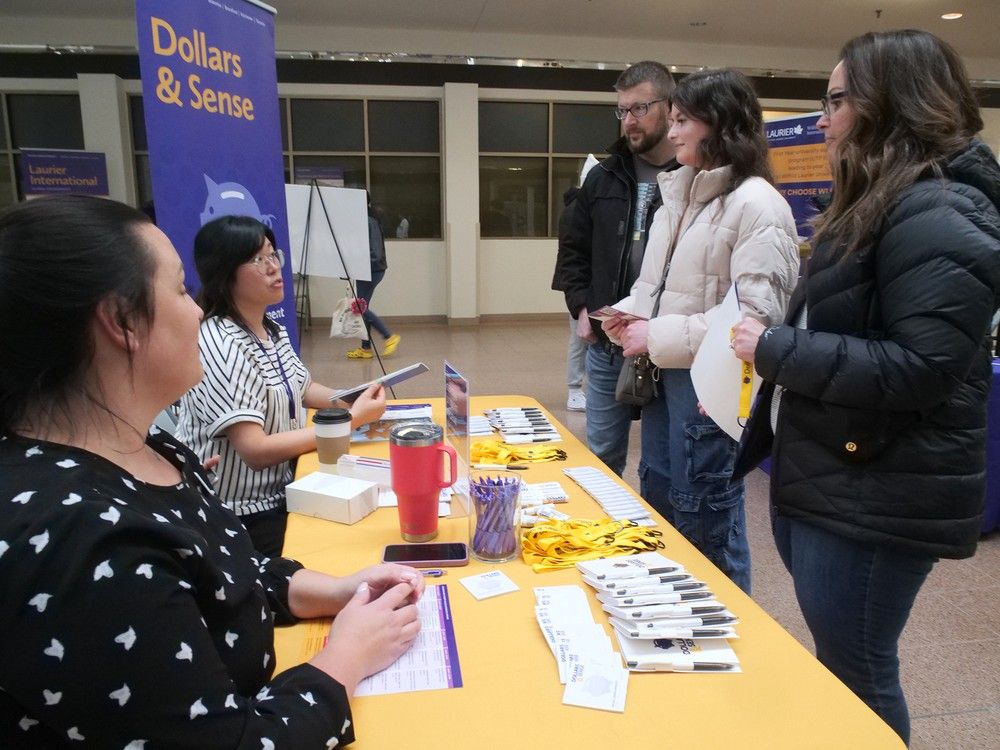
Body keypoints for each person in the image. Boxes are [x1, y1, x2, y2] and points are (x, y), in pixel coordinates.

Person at [0, 194, 423, 748]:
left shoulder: (153, 451)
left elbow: (234, 578)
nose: (196, 310)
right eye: (178, 290)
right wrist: (347, 657)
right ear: (122, 321)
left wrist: (340, 590)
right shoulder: (80, 543)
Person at [731, 30, 1000, 744]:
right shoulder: (880, 200)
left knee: (859, 672)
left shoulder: (940, 210)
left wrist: (776, 348)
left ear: (892, 104)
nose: (824, 118)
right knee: (844, 665)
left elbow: (920, 366)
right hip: (836, 473)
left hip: (879, 487)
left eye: (838, 100)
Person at [603, 69, 799, 593]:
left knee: (706, 514)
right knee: (663, 499)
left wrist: (657, 335)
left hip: (712, 389)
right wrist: (628, 313)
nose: (673, 133)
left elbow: (755, 319)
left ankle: (725, 626)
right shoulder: (681, 193)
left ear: (723, 125)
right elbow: (660, 285)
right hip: (668, 381)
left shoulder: (758, 206)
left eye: (684, 120)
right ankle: (672, 608)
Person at [176, 215, 386, 557]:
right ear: (224, 272)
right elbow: (255, 450)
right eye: (259, 260)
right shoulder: (219, 343)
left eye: (274, 255)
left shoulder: (269, 327)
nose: (274, 268)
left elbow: (303, 388)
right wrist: (354, 420)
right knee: (346, 549)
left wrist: (351, 400)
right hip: (241, 514)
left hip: (284, 488)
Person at [554, 60, 679, 475]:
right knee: (603, 458)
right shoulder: (603, 176)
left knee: (663, 467)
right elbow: (573, 249)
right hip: (609, 344)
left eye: (640, 108)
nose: (629, 121)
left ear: (670, 105)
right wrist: (581, 307)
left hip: (669, 347)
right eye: (622, 110)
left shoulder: (695, 175)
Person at [346, 199, 400, 360]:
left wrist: (359, 265)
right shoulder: (363, 221)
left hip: (371, 270)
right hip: (365, 270)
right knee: (362, 307)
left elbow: (375, 253)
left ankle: (389, 336)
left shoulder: (369, 222)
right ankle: (366, 348)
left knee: (359, 307)